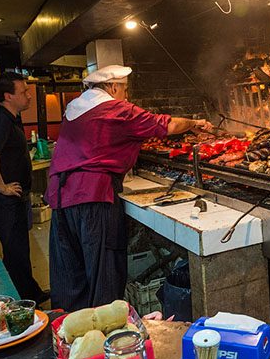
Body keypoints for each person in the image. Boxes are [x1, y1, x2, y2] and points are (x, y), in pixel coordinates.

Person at [45, 65, 213, 311]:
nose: (126, 94)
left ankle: (69, 335)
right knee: (103, 273)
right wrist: (194, 122)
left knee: (71, 275)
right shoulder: (115, 109)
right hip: (94, 196)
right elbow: (165, 125)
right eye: (124, 88)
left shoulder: (74, 110)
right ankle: (104, 339)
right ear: (113, 87)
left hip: (61, 198)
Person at [0, 72, 48, 304]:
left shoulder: (9, 118)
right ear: (8, 96)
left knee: (20, 252)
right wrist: (3, 188)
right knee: (15, 253)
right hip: (7, 203)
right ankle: (26, 302)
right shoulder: (0, 119)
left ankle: (32, 295)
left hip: (13, 201)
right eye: (24, 92)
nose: (29, 96)